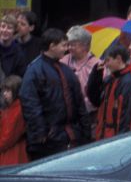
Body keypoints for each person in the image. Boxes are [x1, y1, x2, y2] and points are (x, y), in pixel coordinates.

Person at [19, 28, 89, 160]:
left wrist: (85, 131)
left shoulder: (66, 70)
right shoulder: (34, 70)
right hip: (47, 140)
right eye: (63, 45)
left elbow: (79, 103)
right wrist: (41, 133)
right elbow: (30, 104)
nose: (66, 49)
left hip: (69, 136)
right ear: (52, 46)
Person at [86, 45, 131, 139]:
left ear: (119, 59)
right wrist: (96, 75)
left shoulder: (128, 84)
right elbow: (95, 99)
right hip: (103, 135)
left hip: (115, 139)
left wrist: (121, 141)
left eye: (108, 60)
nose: (106, 64)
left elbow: (129, 118)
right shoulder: (110, 80)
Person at [60, 26, 101, 128]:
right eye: (68, 44)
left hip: (91, 116)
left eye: (73, 45)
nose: (69, 48)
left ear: (85, 46)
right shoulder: (63, 61)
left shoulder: (97, 65)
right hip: (67, 115)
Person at [0, 75, 27, 165]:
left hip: (13, 153)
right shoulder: (12, 108)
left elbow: (7, 138)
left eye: (8, 91)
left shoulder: (17, 110)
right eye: (4, 90)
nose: (4, 94)